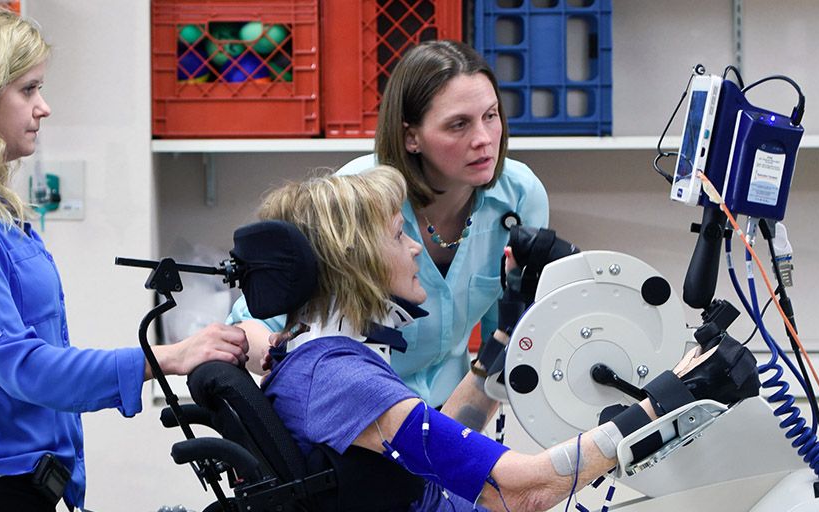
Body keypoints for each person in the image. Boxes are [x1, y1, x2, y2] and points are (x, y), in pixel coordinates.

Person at [0, 6, 247, 511]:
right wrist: (171, 356)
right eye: (27, 90)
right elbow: (23, 368)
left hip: (5, 479)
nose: (43, 107)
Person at [253, 167, 758, 511]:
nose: (413, 249)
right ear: (353, 261)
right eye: (396, 235)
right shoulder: (342, 378)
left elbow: (437, 442)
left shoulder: (310, 357)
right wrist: (671, 401)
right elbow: (521, 491)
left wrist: (507, 333)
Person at [230, 40, 548, 411]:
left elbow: (505, 341)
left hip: (454, 405)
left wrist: (463, 443)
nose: (483, 139)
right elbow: (255, 320)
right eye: (458, 124)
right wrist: (281, 362)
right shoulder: (358, 195)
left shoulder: (521, 195)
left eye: (490, 116)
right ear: (411, 137)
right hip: (359, 413)